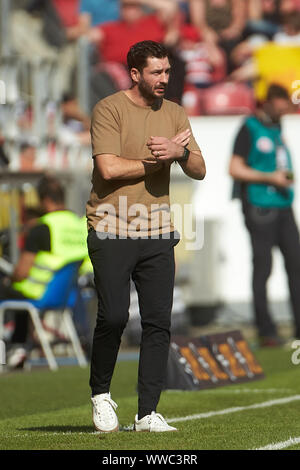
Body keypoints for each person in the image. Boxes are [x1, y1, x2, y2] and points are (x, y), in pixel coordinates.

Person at [86, 40, 206, 432]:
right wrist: (158, 159)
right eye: (156, 72)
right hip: (110, 226)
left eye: (167, 71)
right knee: (115, 316)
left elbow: (200, 168)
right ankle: (101, 394)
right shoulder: (109, 109)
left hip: (157, 230)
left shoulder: (174, 112)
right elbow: (108, 169)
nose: (164, 79)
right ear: (135, 73)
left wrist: (180, 153)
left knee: (158, 323)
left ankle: (147, 413)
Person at [229, 84, 300, 346]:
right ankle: (266, 330)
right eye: (281, 107)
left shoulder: (276, 126)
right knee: (263, 267)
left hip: (283, 204)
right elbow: (234, 168)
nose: (284, 113)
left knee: (296, 265)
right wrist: (270, 177)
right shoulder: (249, 128)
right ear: (267, 102)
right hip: (259, 206)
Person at [0, 175, 89, 366]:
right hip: (67, 293)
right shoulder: (79, 224)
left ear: (45, 200)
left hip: (39, 292)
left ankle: (13, 347)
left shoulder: (42, 227)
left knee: (10, 287)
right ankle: (19, 348)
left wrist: (10, 278)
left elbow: (22, 273)